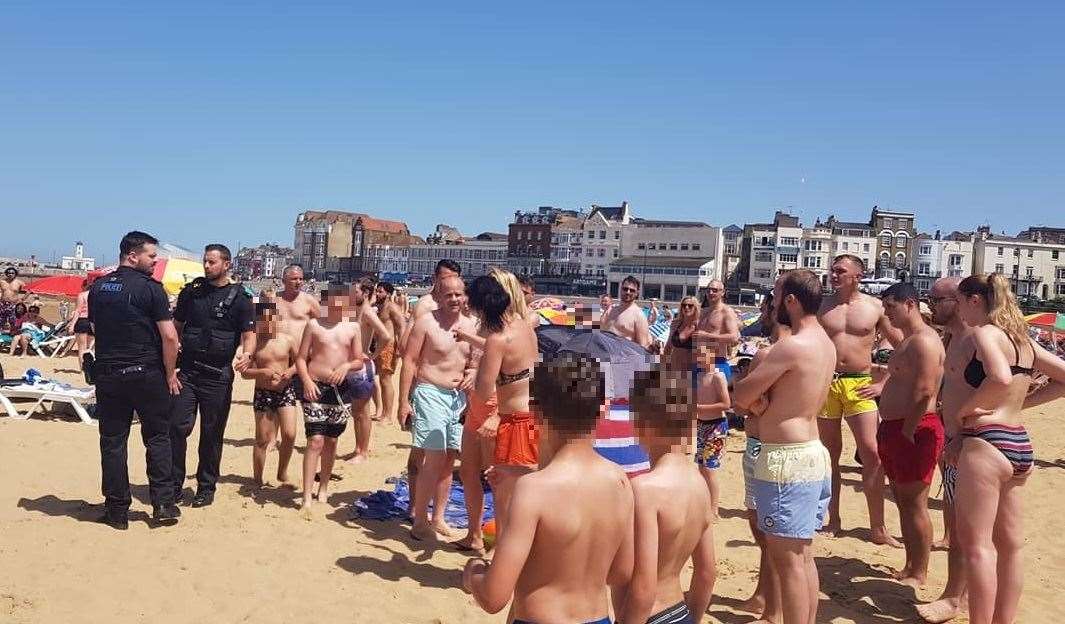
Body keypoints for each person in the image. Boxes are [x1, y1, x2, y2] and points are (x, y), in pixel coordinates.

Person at [462, 352, 634, 624]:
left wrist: (473, 575)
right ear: (604, 409)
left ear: (536, 413)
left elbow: (494, 598)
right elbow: (621, 573)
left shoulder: (533, 491)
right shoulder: (620, 481)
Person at [942, 273, 1065, 624]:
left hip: (986, 443)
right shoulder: (1022, 340)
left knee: (978, 547)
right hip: (1018, 441)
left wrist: (966, 411)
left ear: (975, 300)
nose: (960, 310)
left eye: (961, 302)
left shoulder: (985, 334)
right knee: (1010, 547)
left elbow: (999, 377)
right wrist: (1021, 405)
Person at [733, 269, 835, 624]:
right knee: (803, 557)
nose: (773, 302)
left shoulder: (792, 346)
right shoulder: (826, 343)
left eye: (776, 295)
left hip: (786, 460)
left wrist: (760, 405)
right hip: (812, 452)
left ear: (791, 300)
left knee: (788, 561)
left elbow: (742, 395)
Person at [88, 231, 182, 528]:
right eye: (152, 256)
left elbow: (94, 328)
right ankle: (164, 505)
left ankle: (116, 510)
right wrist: (170, 373)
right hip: (146, 373)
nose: (156, 261)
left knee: (113, 441)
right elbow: (169, 337)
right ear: (132, 256)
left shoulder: (99, 288)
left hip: (109, 373)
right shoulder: (151, 289)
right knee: (157, 438)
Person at [817, 254, 903, 546]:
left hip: (860, 384)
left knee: (872, 454)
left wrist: (885, 383)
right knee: (829, 457)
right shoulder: (822, 306)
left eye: (840, 270)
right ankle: (834, 519)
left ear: (858, 275)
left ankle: (877, 527)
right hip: (827, 383)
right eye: (832, 270)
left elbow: (905, 346)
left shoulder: (874, 307)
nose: (833, 274)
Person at [620, 366, 716, 624]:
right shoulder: (699, 483)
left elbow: (643, 586)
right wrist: (693, 618)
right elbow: (707, 573)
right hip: (679, 611)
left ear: (643, 425)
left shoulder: (645, 489)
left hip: (646, 616)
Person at [169, 244, 256, 509]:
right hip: (189, 372)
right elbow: (176, 327)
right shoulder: (192, 293)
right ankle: (173, 486)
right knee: (176, 427)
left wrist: (248, 354)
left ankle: (206, 488)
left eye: (212, 262)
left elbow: (249, 335)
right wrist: (171, 358)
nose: (207, 267)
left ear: (227, 264)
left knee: (211, 434)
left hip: (218, 376)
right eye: (205, 262)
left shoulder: (241, 297)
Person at [877, 283, 946, 588]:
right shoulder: (908, 340)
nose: (886, 312)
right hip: (899, 427)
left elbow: (925, 390)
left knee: (915, 503)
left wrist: (907, 430)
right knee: (903, 502)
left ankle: (920, 571)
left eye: (890, 306)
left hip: (914, 428)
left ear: (910, 304)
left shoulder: (925, 342)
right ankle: (910, 564)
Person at [400, 274, 476, 541]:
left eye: (459, 294)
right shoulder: (426, 323)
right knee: (433, 456)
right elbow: (409, 361)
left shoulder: (472, 326)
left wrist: (473, 374)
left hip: (458, 399)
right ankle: (420, 518)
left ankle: (439, 517)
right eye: (448, 295)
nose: (454, 299)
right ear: (439, 296)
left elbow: (476, 361)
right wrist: (403, 402)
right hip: (430, 390)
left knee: (448, 460)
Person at [466, 271, 538, 543]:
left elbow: (484, 392)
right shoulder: (522, 323)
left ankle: (503, 569)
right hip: (533, 414)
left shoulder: (498, 340)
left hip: (514, 421)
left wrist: (482, 369)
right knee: (524, 495)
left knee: (506, 501)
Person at [733, 291, 786, 623]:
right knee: (762, 525)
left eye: (767, 307)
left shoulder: (771, 354)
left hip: (763, 444)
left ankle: (770, 602)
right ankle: (763, 592)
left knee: (765, 527)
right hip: (761, 443)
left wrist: (745, 390)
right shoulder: (790, 350)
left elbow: (747, 401)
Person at [295, 283, 366, 515]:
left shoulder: (353, 328)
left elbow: (358, 360)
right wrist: (306, 381)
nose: (337, 304)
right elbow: (301, 358)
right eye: (333, 300)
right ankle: (306, 494)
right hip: (315, 387)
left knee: (332, 441)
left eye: (342, 300)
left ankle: (323, 485)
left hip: (340, 390)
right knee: (315, 439)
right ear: (326, 302)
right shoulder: (314, 325)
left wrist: (346, 366)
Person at [401, 259, 461, 515]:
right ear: (436, 279)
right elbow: (407, 350)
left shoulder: (463, 310)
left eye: (455, 278)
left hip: (454, 395)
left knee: (447, 455)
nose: (450, 283)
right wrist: (406, 397)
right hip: (425, 387)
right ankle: (415, 507)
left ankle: (436, 513)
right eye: (445, 278)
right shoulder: (425, 307)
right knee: (421, 451)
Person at [240, 301, 298, 488]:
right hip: (263, 393)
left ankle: (282, 471)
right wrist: (262, 372)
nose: (268, 324)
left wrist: (289, 373)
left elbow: (300, 362)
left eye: (271, 319)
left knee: (289, 434)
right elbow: (244, 373)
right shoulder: (253, 344)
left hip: (285, 390)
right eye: (263, 321)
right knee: (262, 439)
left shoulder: (287, 340)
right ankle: (257, 479)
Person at [350, 277, 392, 463]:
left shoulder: (367, 312)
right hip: (353, 365)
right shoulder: (356, 310)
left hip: (363, 365)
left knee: (363, 411)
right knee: (356, 411)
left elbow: (385, 335)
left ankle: (363, 452)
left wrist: (373, 355)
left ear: (365, 293)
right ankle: (358, 448)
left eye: (356, 291)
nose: (352, 294)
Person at [693, 337, 731, 519]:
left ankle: (714, 508)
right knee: (701, 467)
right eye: (697, 355)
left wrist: (701, 408)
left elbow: (726, 404)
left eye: (702, 355)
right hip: (701, 425)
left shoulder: (717, 376)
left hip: (716, 425)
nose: (699, 358)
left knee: (710, 468)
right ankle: (705, 504)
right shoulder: (699, 376)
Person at [373, 281, 406, 426]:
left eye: (380, 291)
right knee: (381, 380)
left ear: (387, 293)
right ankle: (382, 412)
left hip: (390, 346)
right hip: (379, 346)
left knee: (386, 380)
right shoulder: (378, 307)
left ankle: (388, 415)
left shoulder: (392, 307)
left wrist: (400, 346)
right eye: (376, 291)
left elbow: (401, 326)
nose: (377, 294)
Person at [694, 280, 740, 382]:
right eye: (709, 290)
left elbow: (734, 337)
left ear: (722, 292)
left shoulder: (726, 312)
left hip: (717, 361)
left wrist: (707, 335)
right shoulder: (703, 312)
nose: (711, 293)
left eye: (714, 290)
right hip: (699, 361)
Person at [274, 264, 321, 344]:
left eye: (301, 279)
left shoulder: (309, 301)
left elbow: (323, 327)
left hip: (301, 353)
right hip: (278, 353)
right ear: (283, 281)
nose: (298, 282)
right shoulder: (273, 299)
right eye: (294, 279)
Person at [602, 276, 651, 349]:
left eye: (632, 290)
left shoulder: (639, 316)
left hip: (624, 358)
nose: (628, 292)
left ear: (637, 293)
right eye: (625, 289)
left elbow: (643, 347)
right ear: (621, 289)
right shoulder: (611, 311)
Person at [663, 295, 700, 373]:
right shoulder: (675, 324)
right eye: (684, 305)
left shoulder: (700, 325)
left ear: (695, 308)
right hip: (675, 366)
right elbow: (668, 347)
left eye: (690, 306)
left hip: (692, 369)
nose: (686, 307)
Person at [71, 280, 94, 369]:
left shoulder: (82, 295)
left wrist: (72, 325)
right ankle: (90, 369)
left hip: (82, 321)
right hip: (93, 321)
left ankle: (82, 369)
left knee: (81, 348)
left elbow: (78, 311)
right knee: (90, 348)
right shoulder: (97, 295)